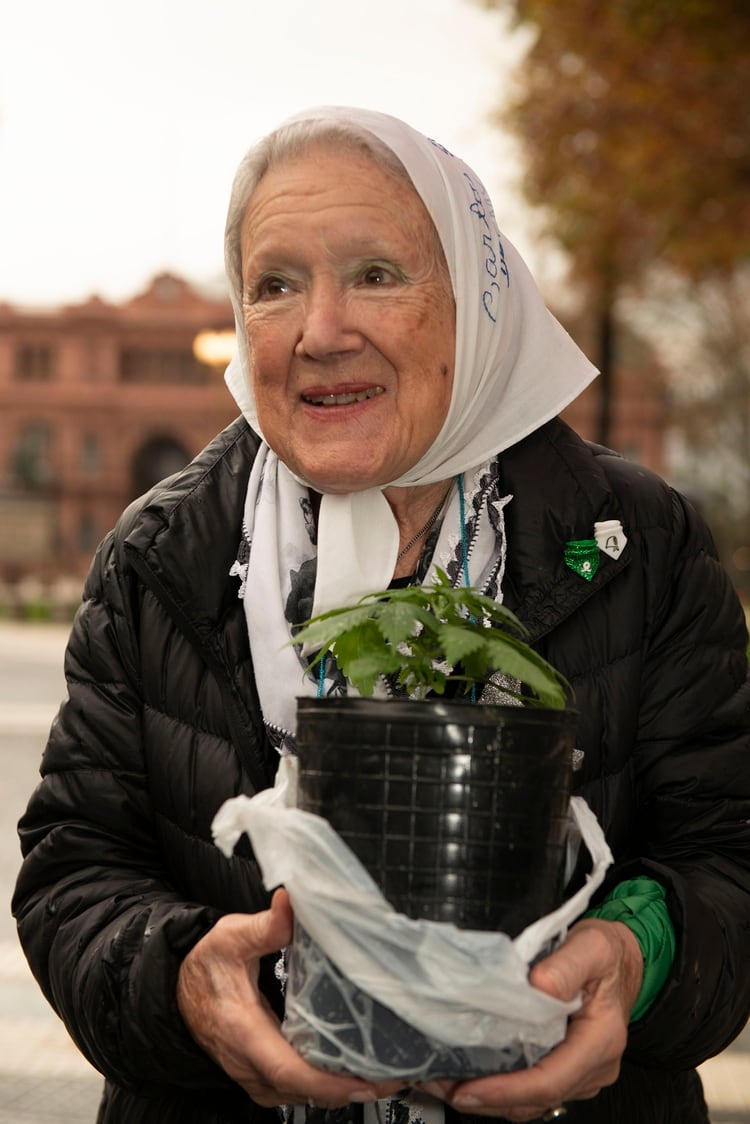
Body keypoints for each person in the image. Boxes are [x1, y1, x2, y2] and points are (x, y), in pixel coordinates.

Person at [12, 105, 750, 1124]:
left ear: (475, 303)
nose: (320, 331)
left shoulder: (639, 541)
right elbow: (74, 869)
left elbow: (729, 852)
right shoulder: (160, 555)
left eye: (375, 274)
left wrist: (638, 951)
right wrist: (178, 976)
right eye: (274, 285)